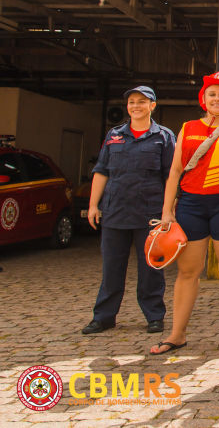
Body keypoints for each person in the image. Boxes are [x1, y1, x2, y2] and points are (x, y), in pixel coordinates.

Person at [150, 71, 219, 355]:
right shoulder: (188, 127)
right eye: (212, 94)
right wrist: (167, 212)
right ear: (204, 98)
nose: (217, 99)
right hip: (190, 206)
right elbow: (174, 171)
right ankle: (177, 334)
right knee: (187, 271)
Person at [82, 86, 175, 335]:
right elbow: (102, 171)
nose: (136, 106)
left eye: (142, 102)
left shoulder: (163, 137)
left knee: (151, 269)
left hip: (150, 215)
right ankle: (103, 317)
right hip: (115, 213)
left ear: (152, 106)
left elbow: (172, 177)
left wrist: (169, 211)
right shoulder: (114, 135)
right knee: (112, 268)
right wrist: (93, 205)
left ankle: (155, 316)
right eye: (132, 102)